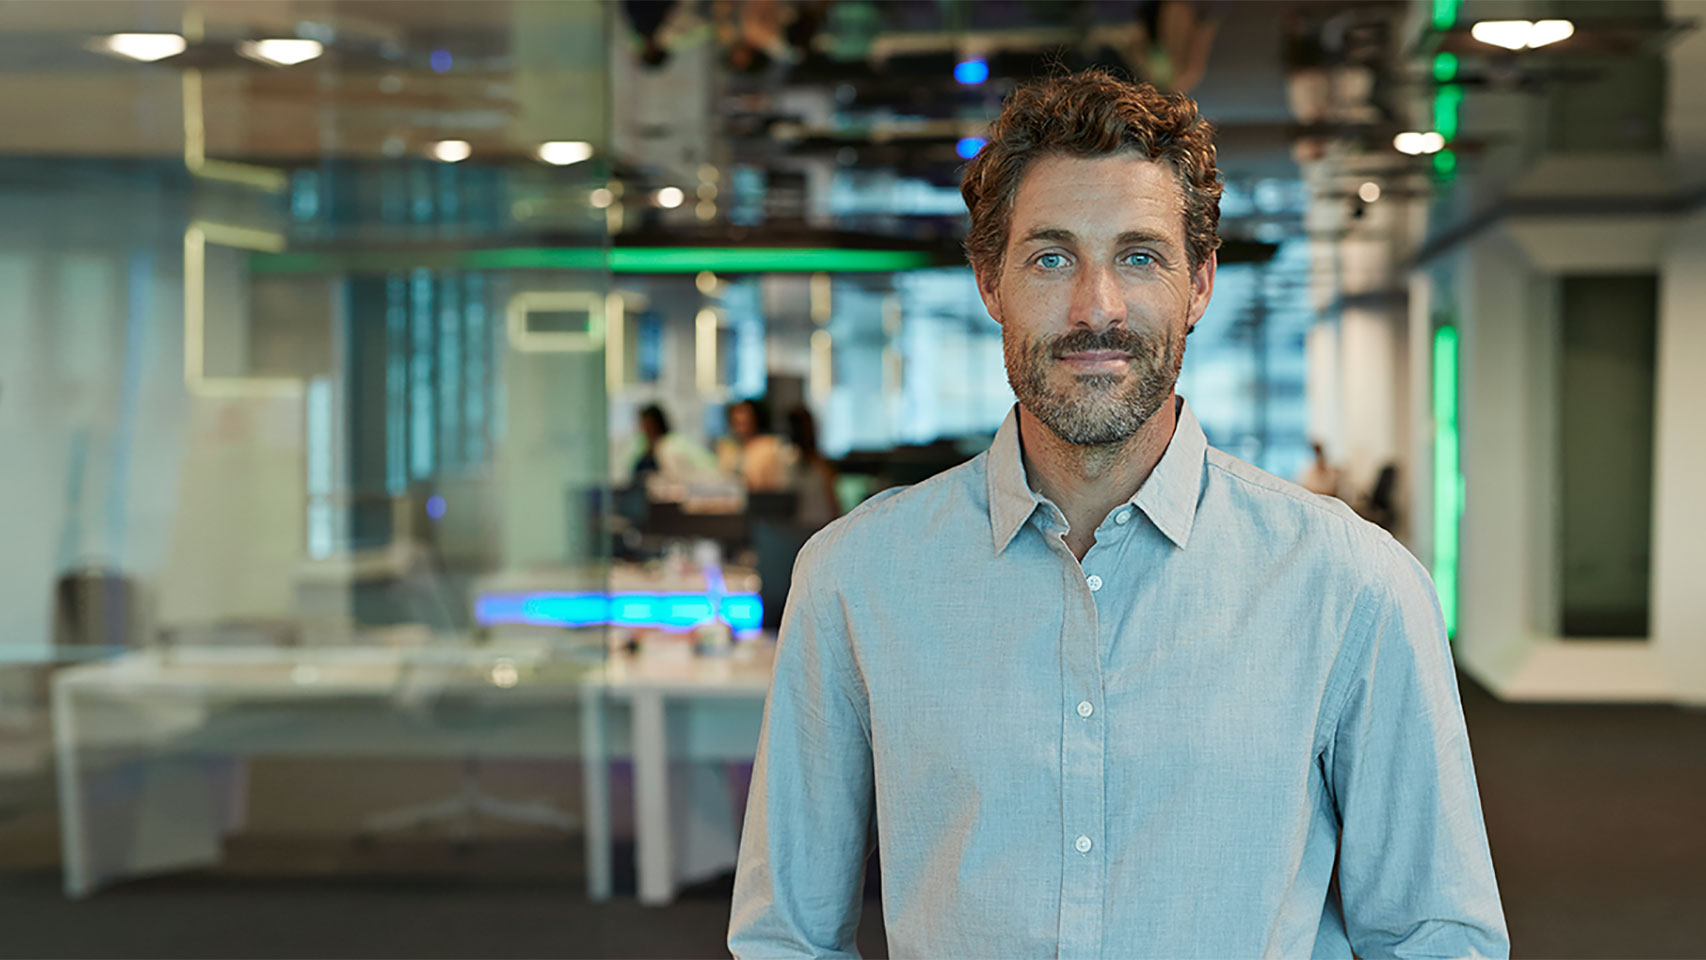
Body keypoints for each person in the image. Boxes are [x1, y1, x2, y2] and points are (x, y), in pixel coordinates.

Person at [729, 69, 1508, 959]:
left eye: (1138, 256)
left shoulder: (1355, 587)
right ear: (990, 283)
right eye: (1051, 257)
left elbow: (1437, 939)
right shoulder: (854, 579)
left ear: (1200, 284)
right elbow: (786, 937)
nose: (1095, 307)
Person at [783, 406, 840, 530]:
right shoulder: (789, 460)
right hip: (805, 529)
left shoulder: (819, 465)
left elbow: (833, 505)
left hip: (815, 529)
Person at [716, 398, 788, 493]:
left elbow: (777, 485)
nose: (740, 421)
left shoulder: (769, 446)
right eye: (736, 421)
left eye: (745, 420)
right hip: (731, 501)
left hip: (761, 500)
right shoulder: (727, 446)